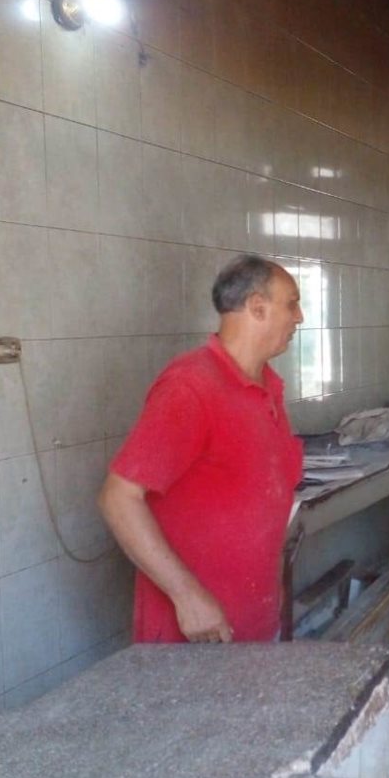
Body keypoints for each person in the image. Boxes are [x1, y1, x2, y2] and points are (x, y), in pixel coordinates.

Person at [98, 254, 303, 643]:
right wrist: (186, 596)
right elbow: (118, 498)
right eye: (291, 304)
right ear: (257, 307)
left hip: (253, 622)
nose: (299, 317)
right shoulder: (190, 387)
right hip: (196, 634)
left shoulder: (269, 386)